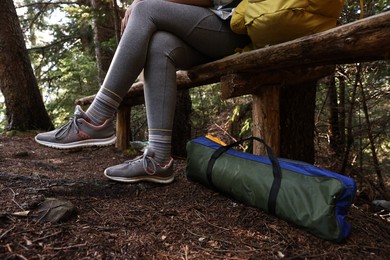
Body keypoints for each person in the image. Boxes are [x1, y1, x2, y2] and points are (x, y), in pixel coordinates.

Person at [35, 0, 249, 184]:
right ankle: (159, 158)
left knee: (144, 9)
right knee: (160, 46)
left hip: (235, 26)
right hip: (212, 28)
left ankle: (96, 118)